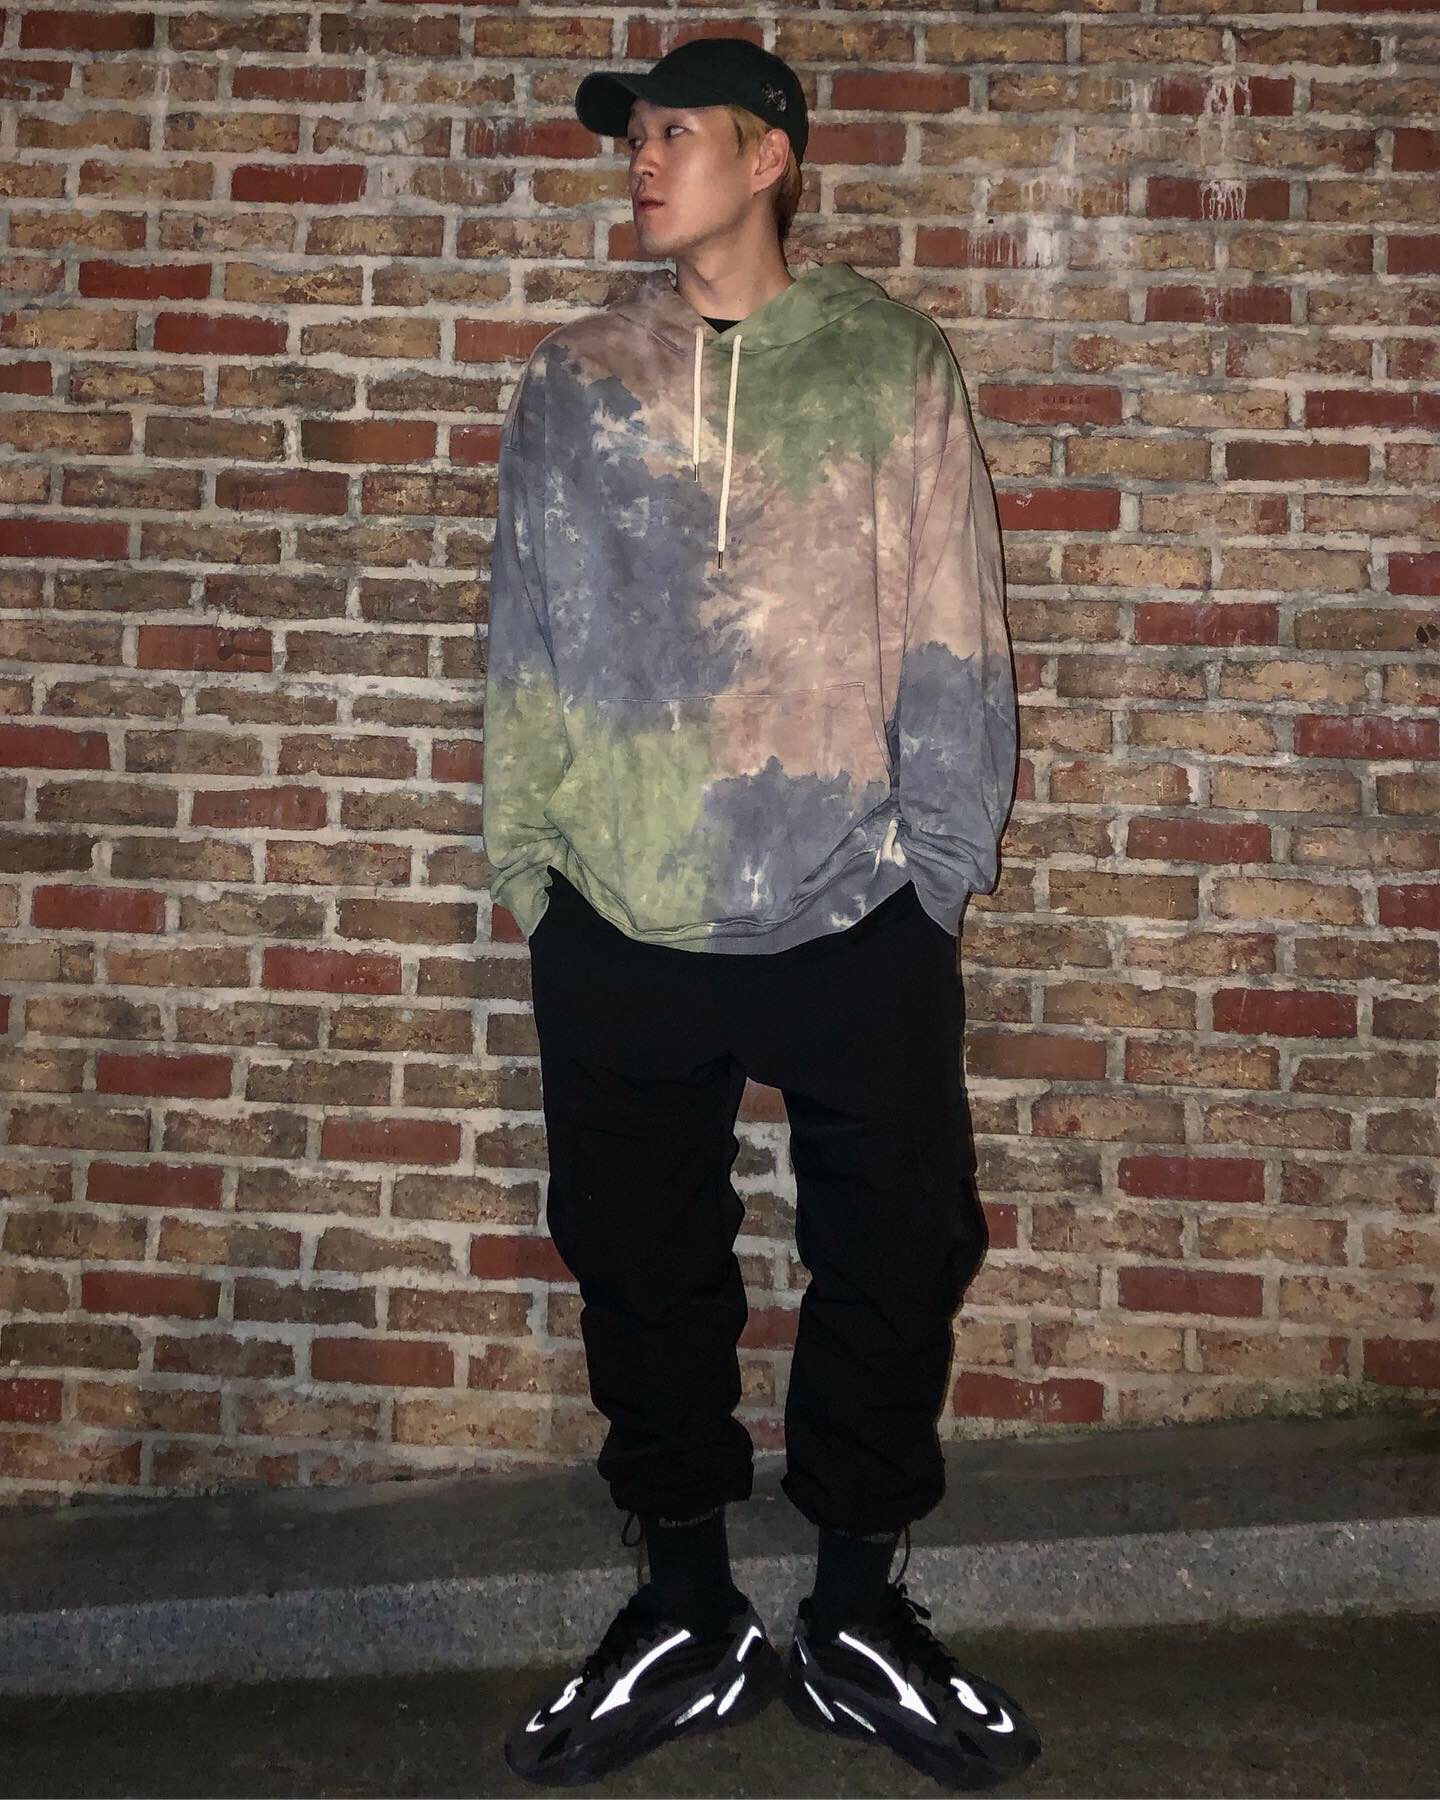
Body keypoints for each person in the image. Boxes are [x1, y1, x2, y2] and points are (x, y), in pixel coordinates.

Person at [488, 36, 1043, 1792]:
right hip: (622, 911)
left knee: (898, 1251)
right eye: (634, 138)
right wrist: (531, 865)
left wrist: (939, 873)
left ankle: (860, 1609)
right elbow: (523, 629)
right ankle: (686, 1606)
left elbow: (954, 620)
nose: (644, 162)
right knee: (637, 1265)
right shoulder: (576, 380)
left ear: (772, 157)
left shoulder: (891, 367)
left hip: (855, 907)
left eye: (677, 133)